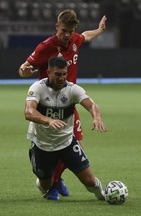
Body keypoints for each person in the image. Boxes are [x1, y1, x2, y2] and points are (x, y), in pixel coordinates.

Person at [18, 9, 107, 200]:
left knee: (75, 146)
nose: (67, 35)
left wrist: (99, 30)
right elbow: (24, 68)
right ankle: (52, 183)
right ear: (57, 27)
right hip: (47, 104)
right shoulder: (45, 47)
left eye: (70, 31)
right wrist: (25, 71)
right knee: (55, 146)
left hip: (68, 101)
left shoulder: (75, 40)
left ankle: (56, 182)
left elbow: (86, 36)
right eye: (63, 31)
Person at [24, 56, 107, 201]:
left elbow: (91, 105)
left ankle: (104, 195)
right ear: (48, 72)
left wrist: (97, 117)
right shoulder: (38, 88)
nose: (61, 78)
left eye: (64, 74)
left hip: (67, 143)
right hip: (42, 145)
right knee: (46, 184)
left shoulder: (73, 90)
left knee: (89, 181)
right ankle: (42, 184)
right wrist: (48, 120)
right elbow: (29, 112)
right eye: (57, 74)